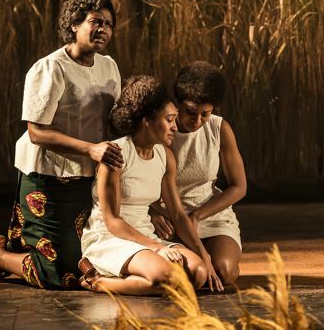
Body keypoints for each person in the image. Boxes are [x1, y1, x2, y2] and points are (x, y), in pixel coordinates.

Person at [0, 0, 124, 289]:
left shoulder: (109, 66)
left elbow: (111, 119)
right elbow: (37, 132)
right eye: (95, 21)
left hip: (87, 173)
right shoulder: (50, 68)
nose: (103, 29)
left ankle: (14, 253)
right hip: (49, 174)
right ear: (75, 25)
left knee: (84, 263)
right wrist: (90, 148)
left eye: (109, 24)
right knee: (60, 274)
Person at [79, 75, 224, 295]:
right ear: (147, 121)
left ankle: (143, 271)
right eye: (169, 120)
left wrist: (205, 256)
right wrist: (156, 248)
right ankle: (98, 281)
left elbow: (177, 214)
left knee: (199, 273)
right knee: (167, 279)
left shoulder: (165, 156)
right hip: (111, 237)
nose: (175, 127)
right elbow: (112, 221)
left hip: (145, 233)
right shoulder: (116, 154)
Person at [150, 61, 246, 286]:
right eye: (191, 112)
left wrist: (197, 216)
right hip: (165, 217)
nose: (197, 121)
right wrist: (151, 213)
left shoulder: (219, 129)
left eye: (205, 113)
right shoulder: (160, 128)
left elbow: (239, 187)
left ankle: (204, 257)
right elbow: (133, 178)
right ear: (178, 103)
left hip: (208, 213)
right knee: (186, 277)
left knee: (225, 272)